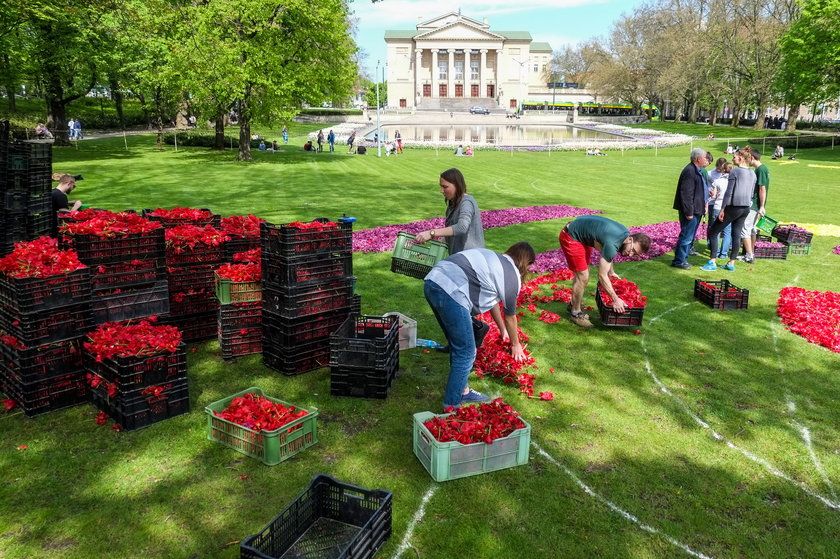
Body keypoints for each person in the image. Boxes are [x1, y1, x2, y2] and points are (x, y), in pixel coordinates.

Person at [424, 242, 535, 409]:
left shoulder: (495, 260)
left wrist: (502, 330)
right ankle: (451, 406)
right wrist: (516, 344)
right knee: (467, 351)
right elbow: (510, 315)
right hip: (452, 291)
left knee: (458, 343)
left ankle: (464, 391)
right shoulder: (511, 276)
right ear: (527, 263)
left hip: (433, 281)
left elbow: (494, 302)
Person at [559, 215, 651, 328]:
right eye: (632, 250)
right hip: (571, 235)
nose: (630, 255)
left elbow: (606, 250)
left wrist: (611, 272)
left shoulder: (623, 236)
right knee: (583, 276)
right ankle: (575, 314)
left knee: (582, 275)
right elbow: (602, 275)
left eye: (635, 254)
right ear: (630, 239)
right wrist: (615, 299)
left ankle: (573, 305)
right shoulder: (614, 243)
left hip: (581, 234)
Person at [701, 148, 756, 272]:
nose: (732, 159)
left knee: (713, 232)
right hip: (745, 208)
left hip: (733, 207)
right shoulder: (753, 173)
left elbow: (729, 193)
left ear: (741, 158)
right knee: (736, 235)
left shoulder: (735, 172)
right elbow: (751, 192)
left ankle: (712, 261)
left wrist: (722, 209)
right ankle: (731, 263)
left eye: (735, 157)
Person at [671, 147, 709, 269]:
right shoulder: (690, 171)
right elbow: (686, 193)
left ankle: (683, 259)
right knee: (686, 236)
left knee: (690, 236)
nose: (706, 159)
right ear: (698, 159)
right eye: (705, 157)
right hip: (691, 210)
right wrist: (689, 212)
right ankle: (679, 261)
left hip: (696, 209)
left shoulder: (696, 170)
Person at [737, 147, 769, 264]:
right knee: (752, 229)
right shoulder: (763, 169)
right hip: (756, 205)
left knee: (745, 229)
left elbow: (762, 188)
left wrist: (761, 206)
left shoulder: (760, 170)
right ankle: (749, 253)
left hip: (754, 205)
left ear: (752, 158)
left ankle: (749, 255)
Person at [706, 158, 733, 258]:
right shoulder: (733, 182)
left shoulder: (718, 181)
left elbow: (713, 196)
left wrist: (712, 195)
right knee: (727, 231)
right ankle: (723, 253)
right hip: (728, 208)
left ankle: (715, 251)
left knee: (715, 230)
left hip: (717, 207)